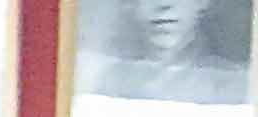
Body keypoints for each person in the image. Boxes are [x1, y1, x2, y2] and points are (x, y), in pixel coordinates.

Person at [74, 0, 248, 106]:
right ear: (131, 4)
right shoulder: (106, 82)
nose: (164, 5)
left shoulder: (235, 85)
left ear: (202, 1)